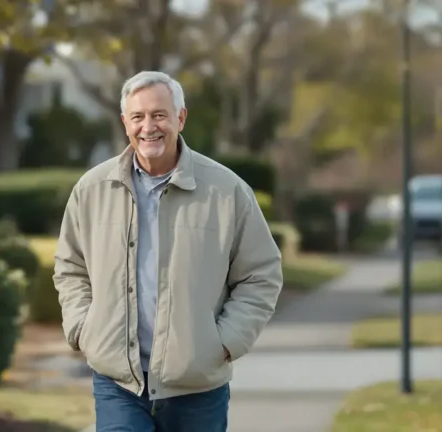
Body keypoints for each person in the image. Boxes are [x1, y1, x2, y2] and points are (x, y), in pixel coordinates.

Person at [52, 70, 283, 432]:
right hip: (118, 383)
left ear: (181, 117)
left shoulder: (227, 191)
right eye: (138, 116)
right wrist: (84, 329)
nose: (149, 127)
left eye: (159, 115)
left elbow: (261, 274)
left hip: (197, 386)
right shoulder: (92, 189)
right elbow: (70, 266)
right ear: (125, 122)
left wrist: (224, 342)